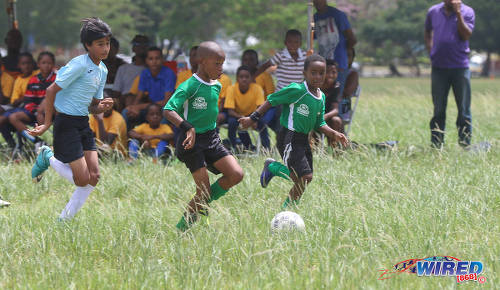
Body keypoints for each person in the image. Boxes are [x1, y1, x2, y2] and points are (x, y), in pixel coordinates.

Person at [29, 17, 114, 220]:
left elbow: (92, 106)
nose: (105, 48)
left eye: (107, 43)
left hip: (82, 123)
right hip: (65, 124)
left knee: (94, 178)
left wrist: (100, 106)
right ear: (88, 45)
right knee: (82, 179)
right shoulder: (79, 65)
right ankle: (47, 157)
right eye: (100, 44)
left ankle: (63, 220)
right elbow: (51, 91)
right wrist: (47, 123)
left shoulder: (102, 70)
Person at [239, 55, 348, 209]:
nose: (318, 76)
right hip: (288, 137)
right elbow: (272, 99)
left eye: (321, 73)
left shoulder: (321, 96)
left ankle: (284, 200)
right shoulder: (297, 90)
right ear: (305, 73)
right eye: (313, 72)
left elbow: (319, 122)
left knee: (305, 179)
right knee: (304, 177)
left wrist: (333, 134)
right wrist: (253, 118)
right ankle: (286, 207)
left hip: (304, 139)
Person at [164, 41, 244, 232]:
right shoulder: (189, 85)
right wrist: (187, 127)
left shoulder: (217, 85)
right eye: (216, 63)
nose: (221, 68)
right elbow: (168, 110)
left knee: (236, 175)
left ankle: (203, 205)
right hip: (191, 143)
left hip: (212, 138)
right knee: (203, 191)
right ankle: (180, 231)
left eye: (222, 63)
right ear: (202, 61)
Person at [425, 0, 475, 148]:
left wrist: (458, 13)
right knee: (438, 109)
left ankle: (465, 143)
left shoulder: (468, 12)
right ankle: (436, 144)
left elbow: (466, 35)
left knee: (464, 109)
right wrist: (430, 50)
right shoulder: (433, 11)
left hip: (460, 67)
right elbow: (427, 31)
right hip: (439, 67)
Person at [6, 52, 56, 149]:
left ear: (53, 64)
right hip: (35, 112)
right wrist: (36, 112)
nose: (46, 65)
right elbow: (28, 101)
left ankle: (55, 143)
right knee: (13, 117)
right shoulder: (33, 80)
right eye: (43, 63)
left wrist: (44, 111)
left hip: (52, 113)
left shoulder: (57, 78)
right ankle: (37, 141)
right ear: (38, 64)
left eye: (49, 63)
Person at [122, 47, 176, 130]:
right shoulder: (144, 73)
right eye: (150, 59)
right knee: (126, 112)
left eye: (157, 58)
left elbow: (166, 101)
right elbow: (139, 96)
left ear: (162, 60)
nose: (154, 61)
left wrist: (140, 107)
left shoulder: (169, 73)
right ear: (146, 61)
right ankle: (125, 140)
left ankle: (159, 141)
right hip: (150, 107)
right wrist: (133, 108)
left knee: (164, 112)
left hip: (164, 108)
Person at [313, 0, 357, 97]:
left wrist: (343, 52)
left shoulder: (338, 15)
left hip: (338, 64)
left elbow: (352, 39)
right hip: (323, 64)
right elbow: (312, 36)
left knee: (337, 97)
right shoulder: (314, 18)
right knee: (321, 96)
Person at [224, 65, 269, 150]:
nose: (244, 79)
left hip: (254, 115)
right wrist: (244, 118)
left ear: (251, 78)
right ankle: (233, 147)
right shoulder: (231, 89)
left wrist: (253, 118)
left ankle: (266, 148)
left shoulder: (257, 88)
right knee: (232, 122)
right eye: (241, 77)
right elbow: (230, 111)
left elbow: (261, 108)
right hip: (237, 116)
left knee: (262, 123)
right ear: (237, 78)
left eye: (247, 77)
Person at [0, 52, 36, 148]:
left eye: (28, 63)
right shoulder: (19, 80)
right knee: (3, 122)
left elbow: (5, 100)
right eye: (23, 64)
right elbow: (14, 101)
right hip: (18, 108)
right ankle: (13, 147)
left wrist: (24, 97)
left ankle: (36, 141)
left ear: (33, 64)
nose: (27, 66)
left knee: (6, 118)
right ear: (19, 65)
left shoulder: (37, 76)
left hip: (27, 108)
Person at [112, 34, 149, 111]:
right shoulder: (123, 69)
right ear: (133, 48)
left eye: (144, 44)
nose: (141, 46)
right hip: (126, 103)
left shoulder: (153, 69)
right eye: (137, 44)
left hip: (146, 103)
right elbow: (116, 93)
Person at [89, 92, 127, 156]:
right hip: (98, 150)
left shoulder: (118, 119)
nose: (105, 106)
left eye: (108, 103)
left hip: (116, 154)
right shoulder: (92, 116)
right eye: (102, 103)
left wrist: (100, 121)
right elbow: (90, 139)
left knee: (104, 147)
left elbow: (105, 143)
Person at [322, 60, 343, 134]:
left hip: (327, 117)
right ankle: (311, 144)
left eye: (334, 72)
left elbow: (335, 110)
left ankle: (334, 145)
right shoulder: (315, 85)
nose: (330, 75)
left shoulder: (336, 87)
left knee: (336, 120)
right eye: (327, 72)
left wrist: (324, 117)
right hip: (313, 116)